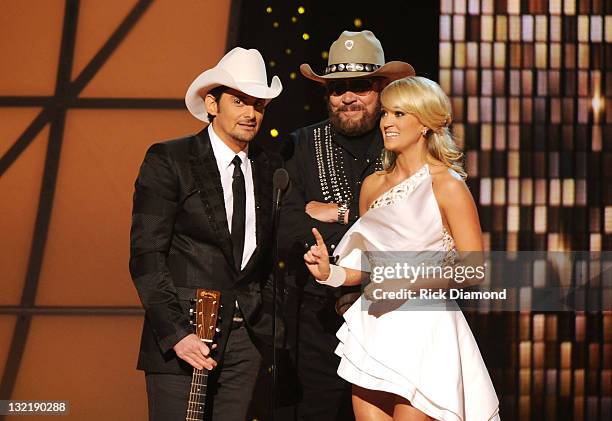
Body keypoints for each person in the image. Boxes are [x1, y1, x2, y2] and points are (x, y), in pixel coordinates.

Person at [304, 76, 500, 420]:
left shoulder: (447, 185)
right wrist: (330, 272)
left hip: (423, 327)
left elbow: (474, 268)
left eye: (399, 114)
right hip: (374, 326)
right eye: (385, 114)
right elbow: (369, 269)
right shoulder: (373, 185)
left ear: (424, 123)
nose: (387, 123)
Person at [129, 47, 282, 421]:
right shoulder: (171, 159)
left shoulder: (270, 167)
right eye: (240, 101)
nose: (250, 113)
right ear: (212, 104)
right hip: (184, 336)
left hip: (247, 340)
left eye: (258, 104)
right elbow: (147, 255)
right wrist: (177, 334)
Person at [278, 30, 415, 420]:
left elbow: (411, 233)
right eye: (338, 89)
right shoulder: (299, 145)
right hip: (315, 323)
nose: (349, 97)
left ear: (381, 89)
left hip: (392, 316)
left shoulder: (403, 145)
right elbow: (288, 226)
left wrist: (338, 215)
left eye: (360, 86)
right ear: (326, 94)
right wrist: (362, 230)